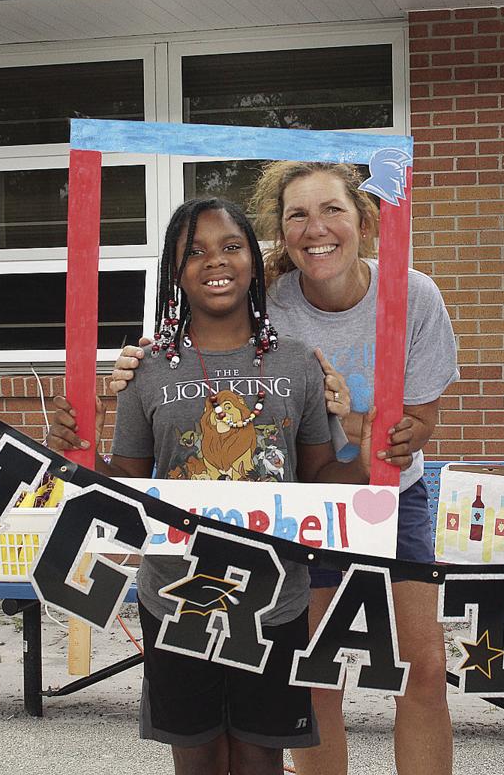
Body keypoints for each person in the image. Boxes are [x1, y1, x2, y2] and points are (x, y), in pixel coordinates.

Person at [110, 162, 460, 775]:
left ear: (363, 219)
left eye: (333, 210)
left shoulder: (413, 294)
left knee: (423, 667)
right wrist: (130, 368)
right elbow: (197, 337)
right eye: (298, 214)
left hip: (391, 493)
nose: (316, 228)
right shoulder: (267, 296)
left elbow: (421, 418)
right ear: (281, 232)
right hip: (298, 504)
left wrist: (376, 434)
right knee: (316, 669)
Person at [46, 196, 374, 775]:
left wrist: (370, 452)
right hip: (177, 596)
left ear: (254, 259)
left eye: (230, 246)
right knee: (195, 755)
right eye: (193, 252)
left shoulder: (297, 362)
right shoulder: (147, 367)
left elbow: (321, 478)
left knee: (260, 755)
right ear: (175, 271)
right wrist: (76, 452)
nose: (214, 262)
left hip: (274, 599)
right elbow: (126, 483)